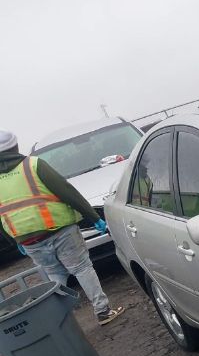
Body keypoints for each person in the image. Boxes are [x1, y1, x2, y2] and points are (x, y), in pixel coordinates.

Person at [0, 130, 124, 325]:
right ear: (15, 147)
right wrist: (93, 218)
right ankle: (103, 311)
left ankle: (58, 319)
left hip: (29, 240)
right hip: (59, 230)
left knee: (55, 274)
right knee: (82, 268)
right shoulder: (33, 165)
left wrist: (16, 239)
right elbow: (67, 191)